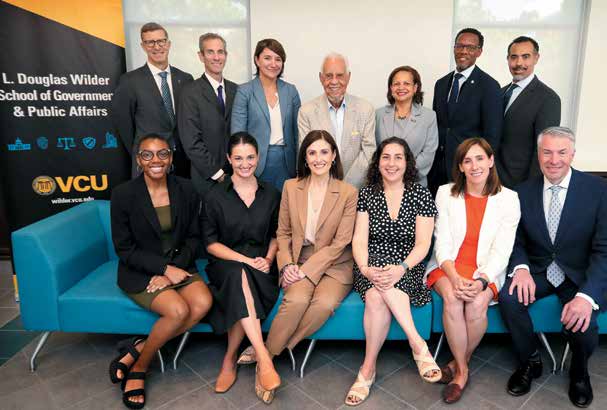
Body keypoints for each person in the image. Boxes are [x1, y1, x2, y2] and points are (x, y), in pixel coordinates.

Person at [238, 130, 358, 403]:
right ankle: (267, 360)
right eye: (312, 152)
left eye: (324, 152)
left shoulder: (348, 192)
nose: (318, 158)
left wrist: (305, 270)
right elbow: (282, 232)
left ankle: (267, 354)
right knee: (296, 300)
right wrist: (288, 265)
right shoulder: (292, 187)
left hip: (336, 265)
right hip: (298, 259)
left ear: (334, 156)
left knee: (324, 304)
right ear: (305, 157)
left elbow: (341, 243)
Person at [498, 126, 607, 408]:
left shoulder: (598, 191)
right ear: (538, 154)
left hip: (578, 274)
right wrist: (520, 267)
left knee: (584, 324)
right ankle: (530, 361)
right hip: (539, 270)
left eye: (561, 152)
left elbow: (603, 250)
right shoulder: (521, 192)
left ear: (572, 154)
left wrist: (586, 296)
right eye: (547, 152)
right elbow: (516, 239)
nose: (554, 159)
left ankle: (580, 372)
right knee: (509, 298)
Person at [109, 135, 212, 409]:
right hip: (140, 271)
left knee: (203, 303)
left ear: (170, 157)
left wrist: (172, 268)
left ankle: (139, 348)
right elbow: (124, 249)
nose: (156, 160)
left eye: (162, 153)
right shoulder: (123, 195)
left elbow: (193, 237)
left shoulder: (187, 189)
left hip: (179, 265)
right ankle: (140, 369)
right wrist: (162, 269)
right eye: (148, 155)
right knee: (178, 310)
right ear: (138, 159)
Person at [345, 137, 440, 406]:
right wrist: (364, 268)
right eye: (386, 157)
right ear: (378, 161)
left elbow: (423, 243)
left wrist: (402, 268)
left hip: (408, 263)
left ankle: (366, 370)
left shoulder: (421, 194)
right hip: (371, 262)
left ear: (407, 162)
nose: (392, 163)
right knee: (376, 291)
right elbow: (359, 240)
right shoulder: (367, 193)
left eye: (398, 157)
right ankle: (418, 346)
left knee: (377, 296)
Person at [425, 138, 520, 403]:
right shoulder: (446, 193)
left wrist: (481, 281)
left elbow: (503, 250)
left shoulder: (509, 199)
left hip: (486, 270)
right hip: (448, 266)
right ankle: (463, 372)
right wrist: (454, 277)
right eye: (467, 160)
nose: (474, 165)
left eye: (480, 158)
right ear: (461, 167)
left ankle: (456, 364)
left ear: (491, 161)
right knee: (453, 299)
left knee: (477, 304)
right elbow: (441, 241)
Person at [202, 132, 282, 397]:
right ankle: (263, 356)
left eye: (250, 157)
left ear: (258, 157)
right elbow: (211, 244)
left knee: (242, 281)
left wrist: (269, 259)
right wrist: (246, 260)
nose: (245, 163)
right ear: (228, 159)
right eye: (238, 158)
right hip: (226, 263)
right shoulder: (214, 194)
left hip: (262, 266)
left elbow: (277, 235)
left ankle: (229, 358)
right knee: (238, 275)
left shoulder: (271, 193)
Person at [111, 22, 193, 178]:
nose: (157, 47)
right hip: (149, 163)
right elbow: (124, 126)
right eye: (150, 42)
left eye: (161, 41)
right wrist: (142, 154)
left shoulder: (185, 79)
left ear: (168, 44)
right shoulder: (129, 81)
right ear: (143, 46)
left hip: (183, 163)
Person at [428, 28, 502, 196]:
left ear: (479, 52)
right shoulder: (441, 84)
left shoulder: (489, 86)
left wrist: (480, 169)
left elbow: (492, 135)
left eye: (470, 47)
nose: (463, 51)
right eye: (459, 46)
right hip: (437, 169)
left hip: (467, 168)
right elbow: (437, 125)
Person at [231, 39, 301, 191]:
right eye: (267, 58)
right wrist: (243, 161)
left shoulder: (291, 91)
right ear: (257, 60)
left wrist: (300, 165)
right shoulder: (245, 91)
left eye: (278, 59)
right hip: (256, 162)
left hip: (287, 162)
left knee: (285, 210)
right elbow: (237, 134)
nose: (273, 63)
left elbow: (298, 133)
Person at [298, 52, 376, 188]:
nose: (334, 81)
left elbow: (369, 152)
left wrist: (344, 187)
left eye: (339, 75)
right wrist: (329, 187)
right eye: (329, 76)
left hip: (356, 189)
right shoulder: (306, 112)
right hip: (320, 189)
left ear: (348, 77)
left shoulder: (366, 109)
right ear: (321, 78)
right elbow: (306, 152)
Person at [496, 36, 561, 188]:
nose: (519, 63)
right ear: (507, 59)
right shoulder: (499, 93)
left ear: (536, 58)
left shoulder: (548, 98)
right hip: (492, 180)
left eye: (526, 57)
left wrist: (529, 189)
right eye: (514, 57)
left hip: (520, 183)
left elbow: (544, 149)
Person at [179, 33, 238, 198]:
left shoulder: (237, 90)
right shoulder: (189, 92)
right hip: (206, 179)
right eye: (210, 52)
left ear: (226, 55)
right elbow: (191, 141)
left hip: (237, 175)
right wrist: (218, 174)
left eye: (221, 52)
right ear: (201, 56)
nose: (216, 57)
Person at [376, 65, 438, 187]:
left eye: (406, 83)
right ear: (391, 88)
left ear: (415, 88)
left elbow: (428, 153)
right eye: (396, 84)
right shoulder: (378, 114)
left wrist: (402, 174)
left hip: (415, 184)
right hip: (383, 183)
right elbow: (374, 150)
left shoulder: (429, 116)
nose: (401, 87)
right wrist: (389, 173)